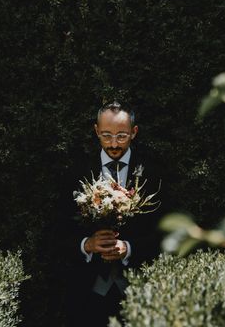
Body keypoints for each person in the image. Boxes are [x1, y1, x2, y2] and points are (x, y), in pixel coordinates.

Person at [64, 101, 162, 326]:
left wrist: (130, 248)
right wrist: (86, 244)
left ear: (134, 132)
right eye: (106, 135)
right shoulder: (76, 172)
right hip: (87, 294)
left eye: (122, 136)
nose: (114, 144)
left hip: (141, 292)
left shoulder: (154, 173)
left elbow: (166, 233)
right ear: (96, 131)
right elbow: (57, 231)